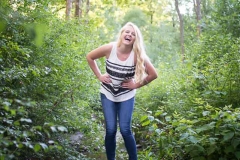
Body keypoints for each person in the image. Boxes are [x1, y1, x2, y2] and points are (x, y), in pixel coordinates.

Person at [86, 22, 158, 160]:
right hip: (108, 94)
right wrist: (99, 76)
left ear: (135, 39)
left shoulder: (138, 55)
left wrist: (136, 85)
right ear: (122, 34)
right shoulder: (110, 48)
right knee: (111, 130)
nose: (129, 35)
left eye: (133, 34)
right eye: (127, 32)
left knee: (125, 130)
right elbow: (90, 57)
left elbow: (153, 74)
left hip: (126, 95)